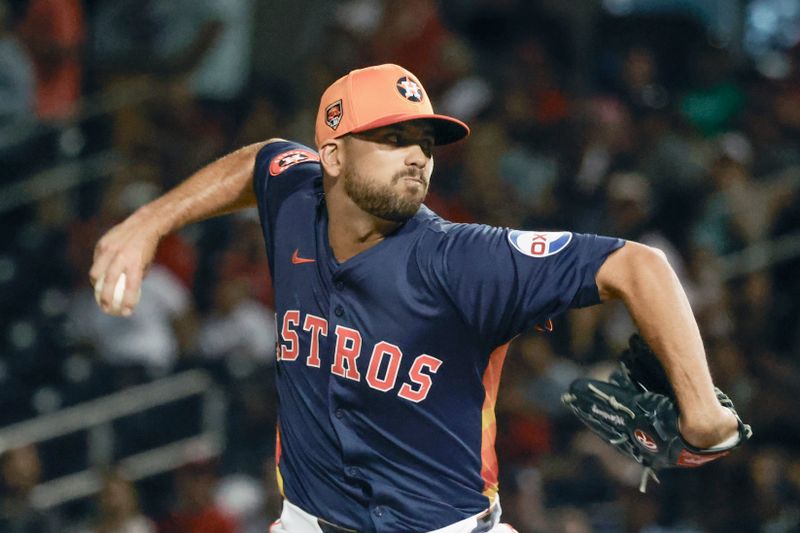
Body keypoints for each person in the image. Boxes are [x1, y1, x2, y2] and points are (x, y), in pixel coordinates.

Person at [91, 63, 740, 533]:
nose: (417, 158)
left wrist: (702, 411)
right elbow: (262, 159)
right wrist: (148, 222)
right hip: (309, 521)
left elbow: (640, 265)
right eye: (393, 138)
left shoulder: (463, 259)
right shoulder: (296, 200)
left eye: (425, 142)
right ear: (334, 156)